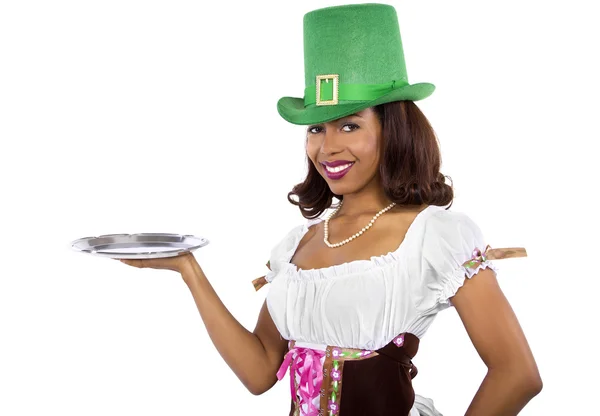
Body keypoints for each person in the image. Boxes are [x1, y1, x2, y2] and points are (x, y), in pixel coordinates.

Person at [118, 3, 542, 415]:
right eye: (316, 127)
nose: (328, 146)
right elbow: (261, 370)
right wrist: (188, 269)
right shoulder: (295, 247)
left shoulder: (435, 236)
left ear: (392, 129)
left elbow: (517, 374)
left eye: (350, 124)